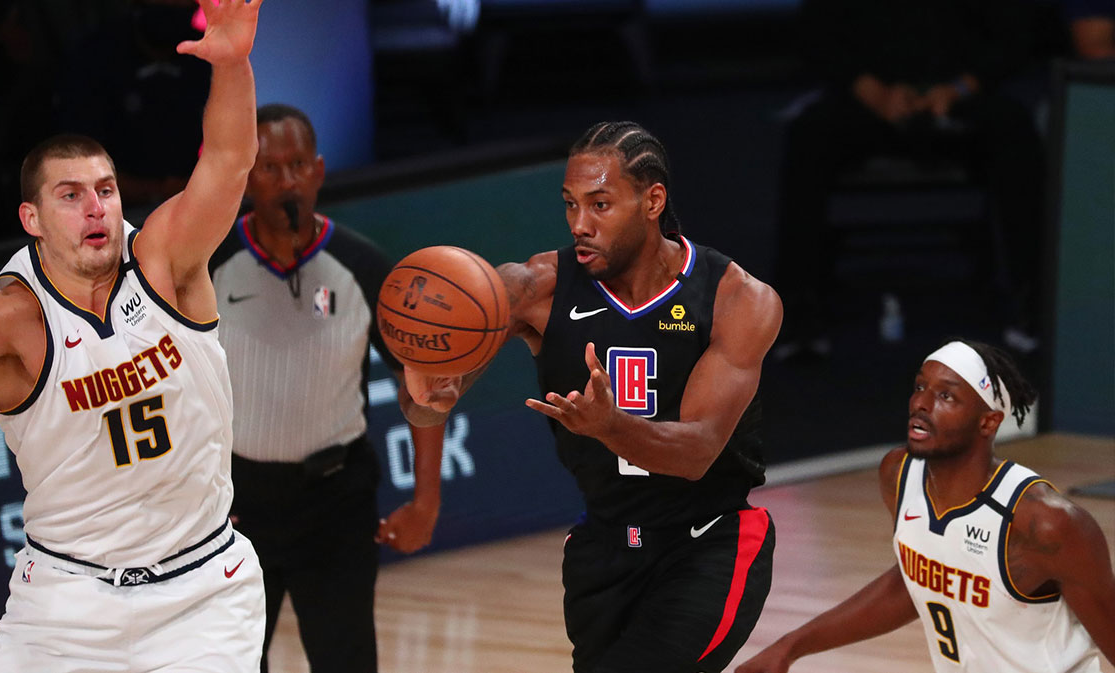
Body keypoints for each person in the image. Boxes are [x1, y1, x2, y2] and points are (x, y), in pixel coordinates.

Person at [0, 0, 267, 669]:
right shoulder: (12, 314)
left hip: (203, 596)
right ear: (33, 218)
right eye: (71, 195)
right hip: (64, 603)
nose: (95, 206)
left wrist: (233, 65)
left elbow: (228, 160)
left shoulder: (166, 260)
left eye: (104, 189)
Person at [410, 120, 783, 673]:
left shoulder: (736, 298)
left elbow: (697, 452)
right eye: (570, 205)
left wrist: (610, 426)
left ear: (652, 200)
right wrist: (427, 382)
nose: (579, 224)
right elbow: (424, 404)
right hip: (604, 547)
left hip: (709, 543)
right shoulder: (537, 286)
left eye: (600, 205)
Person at [209, 103, 448, 673]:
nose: (286, 180)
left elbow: (423, 392)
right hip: (237, 505)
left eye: (297, 165)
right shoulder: (209, 264)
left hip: (336, 501)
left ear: (318, 171)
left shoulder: (365, 267)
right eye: (269, 168)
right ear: (244, 178)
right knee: (227, 664)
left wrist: (426, 501)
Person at [737, 340, 1115, 673]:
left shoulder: (1046, 524)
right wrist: (790, 647)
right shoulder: (899, 475)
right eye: (920, 387)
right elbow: (915, 582)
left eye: (946, 396)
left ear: (988, 422)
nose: (921, 403)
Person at [773, 0, 1046, 359]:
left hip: (956, 97)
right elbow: (816, 37)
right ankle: (798, 312)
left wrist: (958, 89)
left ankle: (1034, 303)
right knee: (808, 136)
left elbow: (1013, 38)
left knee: (1014, 130)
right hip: (869, 99)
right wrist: (874, 92)